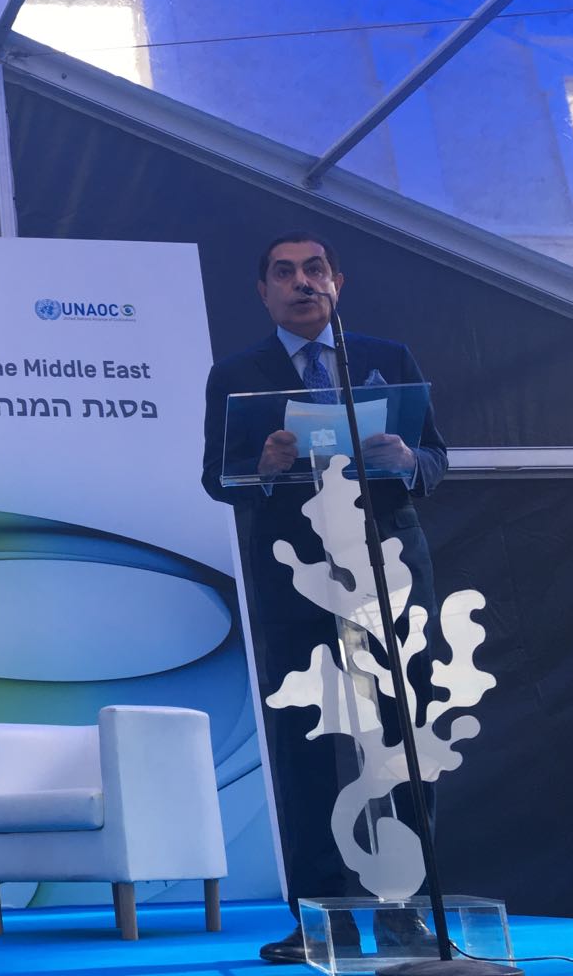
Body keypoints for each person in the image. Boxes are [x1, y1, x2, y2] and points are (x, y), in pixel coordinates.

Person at [201, 232, 448, 964]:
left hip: (386, 568)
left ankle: (406, 912)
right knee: (306, 742)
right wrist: (262, 465)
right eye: (284, 273)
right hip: (296, 575)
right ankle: (320, 919)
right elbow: (217, 478)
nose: (302, 283)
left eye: (315, 270)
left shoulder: (387, 358)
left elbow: (438, 456)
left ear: (338, 281)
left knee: (402, 736)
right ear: (264, 292)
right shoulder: (236, 374)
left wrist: (409, 458)